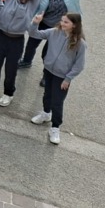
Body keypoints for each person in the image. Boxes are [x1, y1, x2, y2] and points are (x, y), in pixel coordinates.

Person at [29, 13, 87, 145]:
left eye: (66, 22)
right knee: (47, 95)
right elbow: (34, 34)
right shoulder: (54, 32)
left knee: (57, 101)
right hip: (49, 71)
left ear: (75, 25)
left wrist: (68, 79)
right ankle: (46, 113)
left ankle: (55, 127)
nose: (62, 24)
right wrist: (35, 23)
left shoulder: (80, 43)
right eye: (62, 21)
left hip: (62, 77)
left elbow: (79, 65)